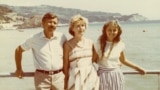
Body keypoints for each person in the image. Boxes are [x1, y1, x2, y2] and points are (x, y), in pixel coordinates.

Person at [15, 12, 67, 90]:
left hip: (59, 77)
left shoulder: (62, 37)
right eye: (49, 22)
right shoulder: (34, 38)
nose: (52, 24)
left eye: (54, 23)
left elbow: (67, 55)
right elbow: (18, 50)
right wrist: (19, 68)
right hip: (41, 78)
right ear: (42, 24)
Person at [93, 20, 146, 90]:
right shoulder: (98, 44)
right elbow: (93, 60)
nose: (112, 32)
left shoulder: (120, 44)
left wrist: (138, 68)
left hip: (117, 75)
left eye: (114, 30)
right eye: (109, 30)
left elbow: (123, 60)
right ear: (105, 31)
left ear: (118, 31)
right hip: (103, 76)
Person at [63, 14, 99, 90]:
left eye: (83, 25)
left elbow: (95, 60)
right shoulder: (67, 45)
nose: (81, 28)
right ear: (72, 28)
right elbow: (65, 67)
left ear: (85, 27)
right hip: (75, 78)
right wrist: (65, 83)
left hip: (91, 77)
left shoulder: (90, 42)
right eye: (77, 26)